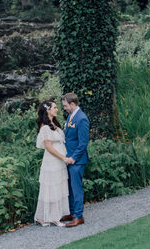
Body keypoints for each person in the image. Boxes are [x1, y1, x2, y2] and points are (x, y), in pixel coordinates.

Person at [34, 100, 69, 226]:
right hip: (52, 161)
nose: (57, 109)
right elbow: (49, 147)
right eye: (54, 107)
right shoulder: (45, 128)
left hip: (59, 162)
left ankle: (48, 215)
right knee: (51, 188)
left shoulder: (54, 124)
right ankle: (52, 217)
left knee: (58, 187)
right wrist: (63, 158)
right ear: (48, 110)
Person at [59, 92, 89, 228]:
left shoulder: (81, 118)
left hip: (77, 160)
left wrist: (73, 158)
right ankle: (72, 213)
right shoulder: (71, 116)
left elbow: (83, 143)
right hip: (68, 158)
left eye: (65, 105)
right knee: (70, 187)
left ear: (72, 104)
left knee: (76, 188)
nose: (64, 108)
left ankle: (78, 216)